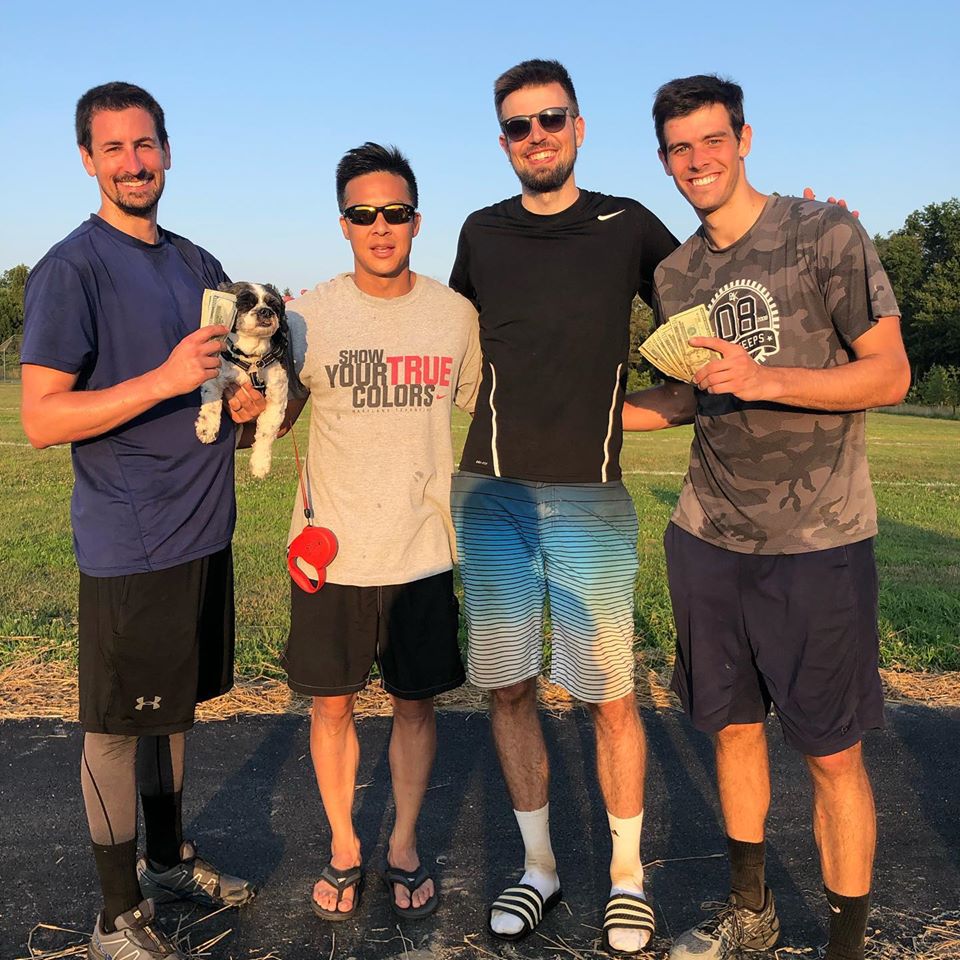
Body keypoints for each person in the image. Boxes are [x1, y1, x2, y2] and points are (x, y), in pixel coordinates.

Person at [622, 74, 910, 960]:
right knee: (734, 732)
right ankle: (750, 913)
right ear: (664, 161)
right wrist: (579, 412)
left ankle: (845, 945)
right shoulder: (675, 273)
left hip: (817, 540)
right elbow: (681, 399)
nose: (697, 160)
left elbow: (890, 375)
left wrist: (767, 378)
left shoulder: (824, 232)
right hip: (709, 539)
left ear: (745, 139)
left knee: (831, 755)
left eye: (712, 140)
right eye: (679, 147)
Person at [20, 82, 257, 960]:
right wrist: (161, 380)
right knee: (117, 724)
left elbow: (222, 379)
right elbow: (42, 419)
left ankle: (167, 861)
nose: (133, 163)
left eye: (145, 144)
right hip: (132, 540)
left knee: (174, 712)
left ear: (167, 150)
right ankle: (116, 912)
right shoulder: (70, 268)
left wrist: (243, 403)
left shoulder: (197, 263)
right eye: (114, 148)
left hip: (205, 527)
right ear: (88, 159)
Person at [448, 59, 679, 954]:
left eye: (550, 120)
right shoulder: (479, 232)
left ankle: (626, 877)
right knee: (507, 686)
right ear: (502, 141)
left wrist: (654, 408)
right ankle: (539, 867)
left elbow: (704, 321)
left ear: (579, 127)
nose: (535, 137)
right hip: (492, 494)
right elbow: (445, 345)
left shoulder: (629, 226)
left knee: (607, 693)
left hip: (591, 499)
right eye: (518, 126)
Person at [281, 142, 481, 923]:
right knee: (331, 707)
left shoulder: (454, 316)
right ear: (343, 224)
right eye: (364, 213)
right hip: (330, 550)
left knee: (414, 706)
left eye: (395, 212)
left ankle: (401, 844)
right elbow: (271, 412)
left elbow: (495, 407)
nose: (381, 226)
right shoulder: (306, 316)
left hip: (422, 551)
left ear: (417, 221)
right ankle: (341, 845)